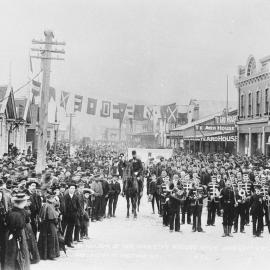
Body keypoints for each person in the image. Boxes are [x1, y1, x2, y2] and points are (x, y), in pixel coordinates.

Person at [4, 193, 31, 270]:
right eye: (25, 201)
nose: (26, 202)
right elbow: (16, 227)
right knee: (17, 251)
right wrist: (18, 236)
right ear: (22, 202)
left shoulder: (16, 211)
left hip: (15, 233)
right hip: (17, 234)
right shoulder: (17, 214)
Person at [38, 193, 60, 260]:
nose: (53, 200)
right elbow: (51, 217)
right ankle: (50, 255)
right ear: (48, 199)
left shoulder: (48, 205)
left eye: (53, 198)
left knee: (49, 239)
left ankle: (46, 254)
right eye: (52, 198)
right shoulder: (47, 206)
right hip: (49, 225)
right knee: (51, 239)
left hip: (48, 224)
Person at [63, 182, 80, 248]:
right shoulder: (65, 197)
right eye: (71, 188)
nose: (72, 189)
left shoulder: (76, 197)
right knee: (63, 228)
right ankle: (62, 243)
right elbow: (63, 206)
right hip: (66, 215)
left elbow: (78, 206)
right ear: (68, 189)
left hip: (73, 215)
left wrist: (77, 213)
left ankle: (68, 242)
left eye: (73, 188)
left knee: (70, 229)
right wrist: (64, 214)